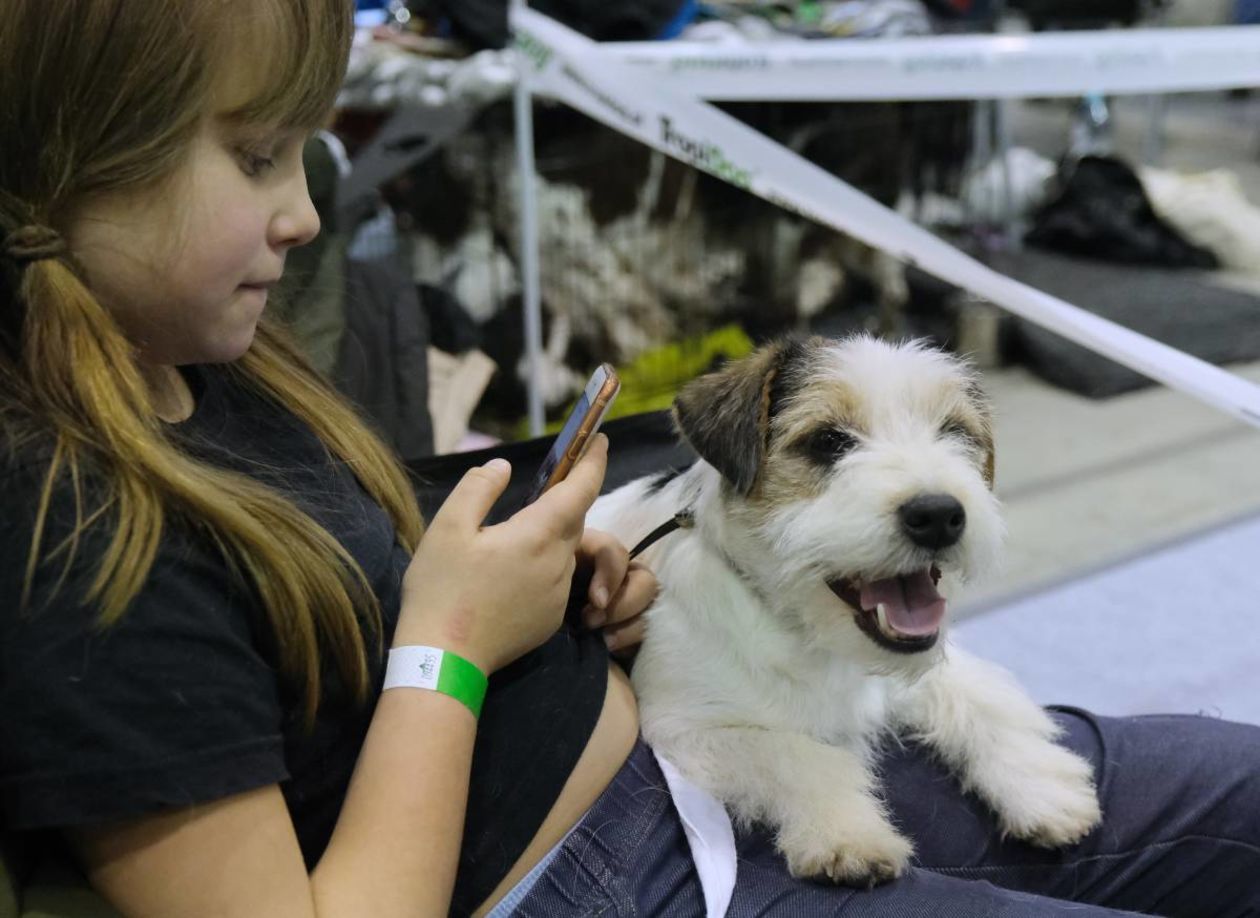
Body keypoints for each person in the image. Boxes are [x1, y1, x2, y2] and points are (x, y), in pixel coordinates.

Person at [0, 2, 1257, 917]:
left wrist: (546, 605)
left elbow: (337, 622)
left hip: (699, 760)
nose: (309, 215)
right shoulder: (69, 544)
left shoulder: (213, 368)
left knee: (1237, 784)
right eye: (259, 156)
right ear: (73, 163)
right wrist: (452, 646)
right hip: (607, 872)